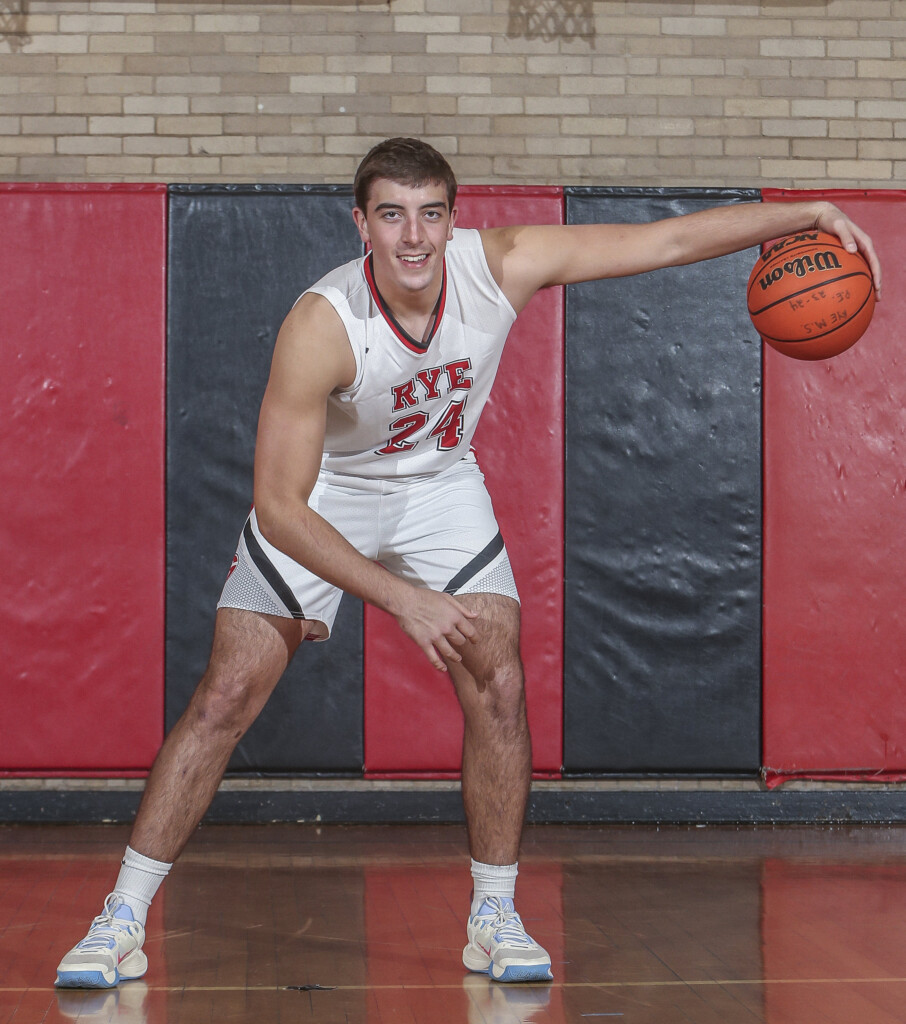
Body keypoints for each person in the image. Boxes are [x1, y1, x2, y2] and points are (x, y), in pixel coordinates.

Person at [54, 138, 881, 990]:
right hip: (323, 494)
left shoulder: (503, 266)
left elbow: (668, 241)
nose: (413, 236)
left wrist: (808, 213)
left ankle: (494, 915)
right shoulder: (324, 324)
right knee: (227, 694)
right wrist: (401, 599)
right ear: (362, 224)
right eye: (391, 214)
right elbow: (279, 508)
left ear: (454, 219)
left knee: (498, 679)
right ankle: (119, 917)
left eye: (431, 213)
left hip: (439, 486)